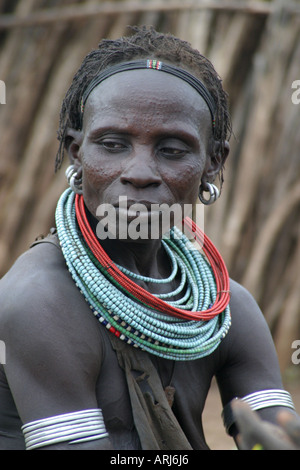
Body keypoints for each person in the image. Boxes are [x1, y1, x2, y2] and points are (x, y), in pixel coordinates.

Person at [0, 26, 297, 451]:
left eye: (172, 149)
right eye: (113, 143)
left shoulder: (221, 308)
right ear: (76, 153)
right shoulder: (40, 300)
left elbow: (276, 435)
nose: (139, 172)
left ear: (213, 165)